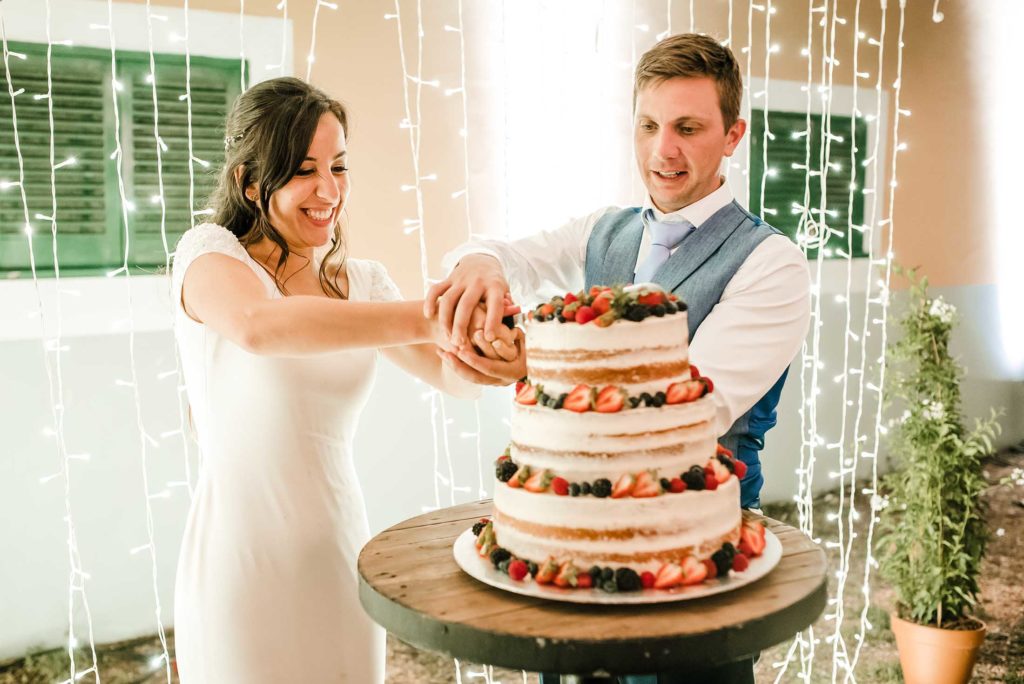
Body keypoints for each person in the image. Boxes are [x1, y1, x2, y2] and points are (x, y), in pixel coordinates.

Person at [426, 33, 811, 684]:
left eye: (689, 127)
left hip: (693, 556)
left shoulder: (772, 263)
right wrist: (481, 267)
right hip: (571, 550)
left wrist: (532, 367)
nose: (664, 150)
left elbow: (692, 406)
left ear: (733, 134)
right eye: (650, 125)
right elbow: (504, 251)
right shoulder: (605, 229)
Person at [170, 77, 518, 683]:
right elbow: (262, 326)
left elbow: (451, 376)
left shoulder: (364, 284)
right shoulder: (209, 256)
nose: (328, 190)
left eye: (338, 166)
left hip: (337, 554)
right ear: (251, 183)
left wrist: (496, 354)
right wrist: (433, 314)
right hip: (240, 568)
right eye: (305, 170)